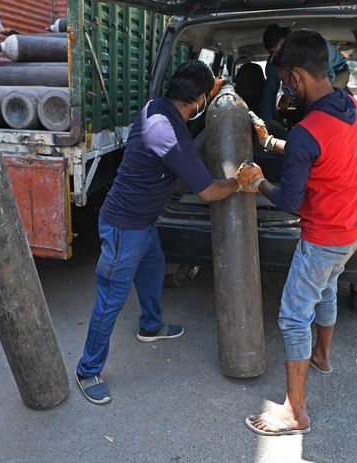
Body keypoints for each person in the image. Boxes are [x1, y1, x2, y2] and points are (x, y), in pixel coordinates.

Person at [75, 61, 246, 405]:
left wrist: (214, 84)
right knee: (111, 298)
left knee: (153, 269)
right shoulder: (165, 133)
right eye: (206, 96)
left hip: (143, 222)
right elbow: (210, 191)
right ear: (198, 99)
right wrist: (239, 182)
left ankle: (150, 327)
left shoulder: (159, 107)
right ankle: (87, 370)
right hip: (124, 227)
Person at [239, 30, 357, 436]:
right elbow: (322, 153)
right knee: (326, 291)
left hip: (322, 238)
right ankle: (323, 357)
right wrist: (273, 141)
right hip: (351, 232)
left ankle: (296, 413)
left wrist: (256, 181)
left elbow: (291, 201)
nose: (284, 88)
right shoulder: (355, 110)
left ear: (295, 78)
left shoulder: (308, 130)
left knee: (294, 317)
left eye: (282, 80)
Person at [259, 25, 349, 124]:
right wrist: (264, 126)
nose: (277, 54)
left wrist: (292, 95)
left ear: (290, 41)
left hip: (338, 71)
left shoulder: (310, 48)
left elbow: (326, 77)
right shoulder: (274, 63)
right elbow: (269, 94)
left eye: (280, 48)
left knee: (321, 100)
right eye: (272, 53)